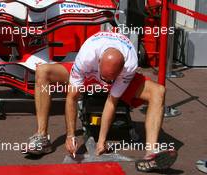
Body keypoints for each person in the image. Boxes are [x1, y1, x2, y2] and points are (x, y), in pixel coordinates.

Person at [24, 31, 177, 172]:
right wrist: (70, 136)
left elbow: (112, 101)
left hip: (116, 76)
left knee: (158, 91)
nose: (106, 82)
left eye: (109, 79)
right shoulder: (87, 55)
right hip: (90, 74)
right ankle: (42, 137)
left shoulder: (130, 63)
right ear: (98, 60)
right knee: (43, 71)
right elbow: (72, 97)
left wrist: (101, 141)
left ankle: (151, 154)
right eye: (105, 78)